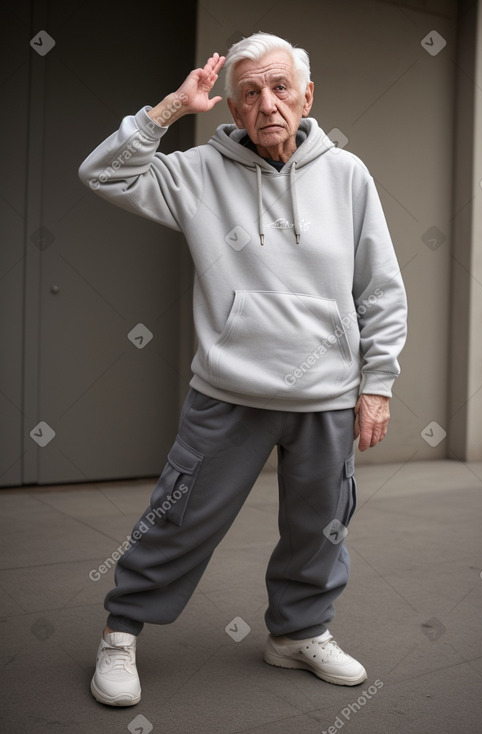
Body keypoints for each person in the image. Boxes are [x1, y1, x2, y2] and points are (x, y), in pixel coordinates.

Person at [79, 32, 407, 707]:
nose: (267, 103)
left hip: (327, 394)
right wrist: (171, 108)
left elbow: (380, 289)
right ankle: (121, 633)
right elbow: (103, 173)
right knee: (179, 517)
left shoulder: (347, 175)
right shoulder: (195, 171)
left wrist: (376, 385)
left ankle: (297, 633)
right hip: (230, 391)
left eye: (280, 87)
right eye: (249, 92)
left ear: (306, 96)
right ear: (229, 107)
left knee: (320, 525)